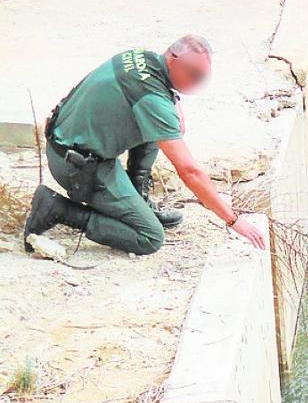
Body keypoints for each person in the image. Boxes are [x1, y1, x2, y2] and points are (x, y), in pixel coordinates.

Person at [22, 35, 265, 255]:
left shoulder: (142, 58)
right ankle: (58, 208)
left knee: (158, 126)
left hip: (66, 143)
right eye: (194, 76)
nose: (197, 83)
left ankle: (138, 197)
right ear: (173, 60)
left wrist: (174, 99)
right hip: (77, 167)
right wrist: (233, 221)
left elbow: (165, 106)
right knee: (149, 237)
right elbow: (190, 171)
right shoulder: (153, 101)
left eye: (203, 77)